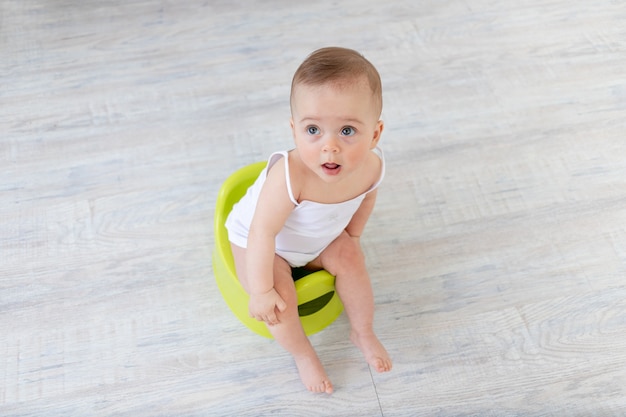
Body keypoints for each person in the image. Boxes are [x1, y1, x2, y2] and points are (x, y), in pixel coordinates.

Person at [226, 46, 392, 394]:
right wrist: (261, 290)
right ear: (294, 130)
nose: (329, 147)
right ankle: (302, 354)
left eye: (347, 131)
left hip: (315, 238)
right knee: (280, 297)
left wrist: (352, 236)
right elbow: (261, 231)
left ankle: (363, 331)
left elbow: (367, 197)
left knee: (351, 258)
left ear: (375, 134)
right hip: (263, 243)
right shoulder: (291, 176)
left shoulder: (372, 168)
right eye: (313, 129)